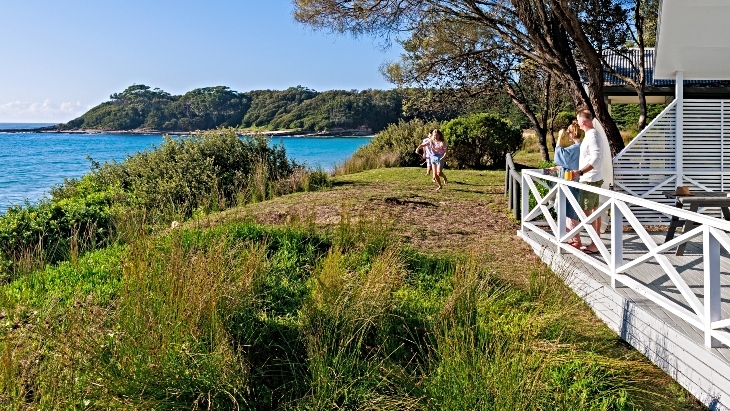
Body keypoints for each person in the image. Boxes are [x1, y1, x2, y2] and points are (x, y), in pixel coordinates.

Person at [572, 109, 604, 255]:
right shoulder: (591, 135)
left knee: (587, 213)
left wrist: (580, 172)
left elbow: (596, 159)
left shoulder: (592, 136)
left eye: (578, 120)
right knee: (593, 211)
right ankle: (595, 243)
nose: (577, 123)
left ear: (583, 121)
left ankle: (595, 244)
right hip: (591, 178)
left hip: (590, 179)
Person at [547, 121, 583, 248]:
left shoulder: (576, 148)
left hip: (571, 183)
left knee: (569, 211)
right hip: (571, 182)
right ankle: (572, 238)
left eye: (569, 132)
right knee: (568, 211)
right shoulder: (579, 147)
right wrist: (556, 168)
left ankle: (576, 240)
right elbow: (565, 163)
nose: (567, 134)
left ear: (573, 133)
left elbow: (559, 155)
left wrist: (559, 138)